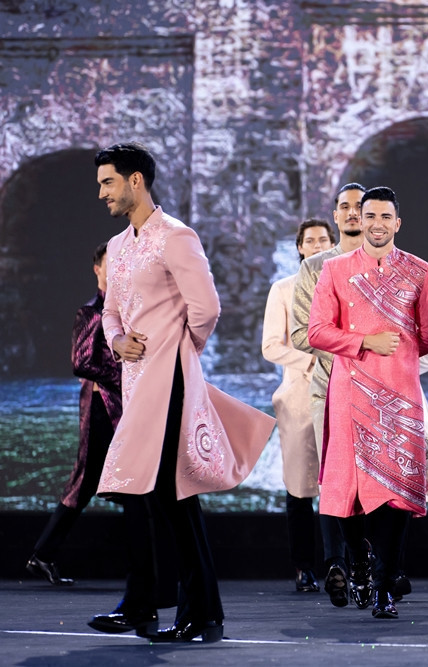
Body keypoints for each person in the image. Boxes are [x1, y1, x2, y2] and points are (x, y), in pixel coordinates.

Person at [87, 142, 274, 643]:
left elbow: (207, 308)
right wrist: (117, 341)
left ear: (136, 181)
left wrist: (180, 348)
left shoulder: (176, 236)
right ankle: (141, 604)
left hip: (169, 379)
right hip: (135, 384)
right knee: (138, 496)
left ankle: (202, 613)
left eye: (108, 182)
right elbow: (110, 312)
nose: (101, 193)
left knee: (174, 496)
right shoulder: (118, 246)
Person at [291, 184, 428, 610]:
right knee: (351, 492)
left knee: (396, 492)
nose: (377, 224)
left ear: (398, 223)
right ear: (359, 219)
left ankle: (383, 586)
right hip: (348, 393)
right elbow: (316, 331)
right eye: (370, 216)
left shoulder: (420, 271)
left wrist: (398, 354)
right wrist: (364, 343)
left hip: (400, 394)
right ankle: (362, 566)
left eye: (385, 217)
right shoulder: (335, 270)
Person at [26, 242, 122, 587]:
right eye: (111, 263)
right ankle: (42, 553)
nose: (117, 268)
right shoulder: (91, 312)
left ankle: (43, 554)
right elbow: (81, 363)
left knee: (124, 480)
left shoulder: (125, 310)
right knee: (86, 480)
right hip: (101, 407)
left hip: (122, 407)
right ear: (97, 269)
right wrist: (123, 375)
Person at [262, 219, 334, 593]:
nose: (318, 245)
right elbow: (271, 346)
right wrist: (311, 362)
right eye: (311, 240)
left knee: (342, 487)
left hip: (342, 395)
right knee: (299, 486)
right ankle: (304, 567)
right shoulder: (284, 289)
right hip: (299, 398)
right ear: (300, 248)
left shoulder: (345, 285)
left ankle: (344, 565)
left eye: (324, 239)